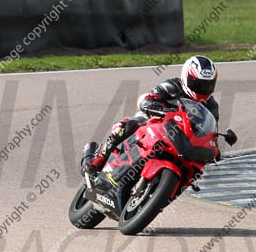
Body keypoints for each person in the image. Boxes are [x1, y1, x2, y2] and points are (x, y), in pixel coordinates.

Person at [82, 55, 220, 175]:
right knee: (126, 125)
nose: (202, 89)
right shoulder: (172, 86)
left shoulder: (211, 106)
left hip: (182, 135)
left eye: (207, 85)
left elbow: (212, 131)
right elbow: (145, 98)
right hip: (155, 119)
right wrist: (152, 105)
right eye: (197, 84)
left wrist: (213, 148)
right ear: (186, 77)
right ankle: (97, 160)